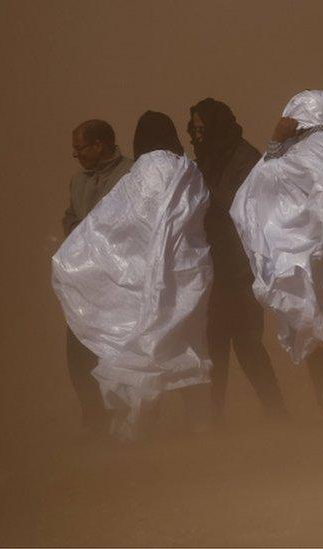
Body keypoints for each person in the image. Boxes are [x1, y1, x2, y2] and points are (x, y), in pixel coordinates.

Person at [53, 111, 214, 441]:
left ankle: (137, 428)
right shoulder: (189, 169)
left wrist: (82, 249)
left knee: (140, 351)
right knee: (186, 345)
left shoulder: (140, 172)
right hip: (187, 275)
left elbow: (124, 222)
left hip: (144, 278)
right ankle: (201, 424)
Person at [230, 90, 323, 417]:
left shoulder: (319, 147)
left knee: (317, 321)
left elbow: (262, 183)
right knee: (316, 321)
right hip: (319, 248)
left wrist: (275, 142)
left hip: (306, 251)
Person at [187, 98, 288, 421]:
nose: (196, 136)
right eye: (194, 129)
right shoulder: (203, 161)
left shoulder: (245, 159)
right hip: (213, 266)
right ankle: (214, 418)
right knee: (214, 345)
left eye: (202, 128)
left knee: (247, 344)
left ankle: (277, 413)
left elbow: (246, 207)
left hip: (242, 267)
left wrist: (202, 198)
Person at [61, 119, 133, 438]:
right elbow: (70, 217)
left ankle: (123, 417)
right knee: (78, 353)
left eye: (79, 148)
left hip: (119, 282)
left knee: (116, 354)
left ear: (99, 145)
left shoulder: (131, 175)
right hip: (84, 282)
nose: (75, 155)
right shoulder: (78, 181)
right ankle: (92, 416)